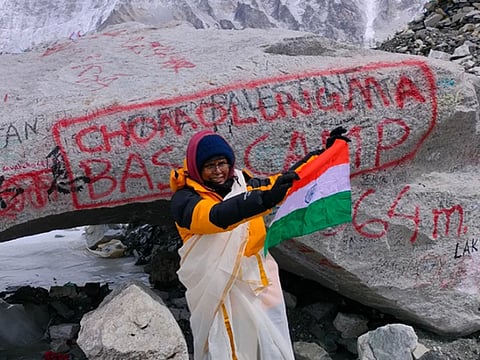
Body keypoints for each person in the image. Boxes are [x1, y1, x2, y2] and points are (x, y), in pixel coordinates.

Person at [169, 128, 349, 360]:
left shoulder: (243, 182)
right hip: (217, 288)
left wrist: (324, 154)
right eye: (209, 166)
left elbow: (284, 183)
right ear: (196, 169)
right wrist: (264, 199)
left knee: (269, 340)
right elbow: (216, 216)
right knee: (226, 341)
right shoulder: (185, 200)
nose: (218, 171)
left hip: (258, 278)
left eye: (222, 163)